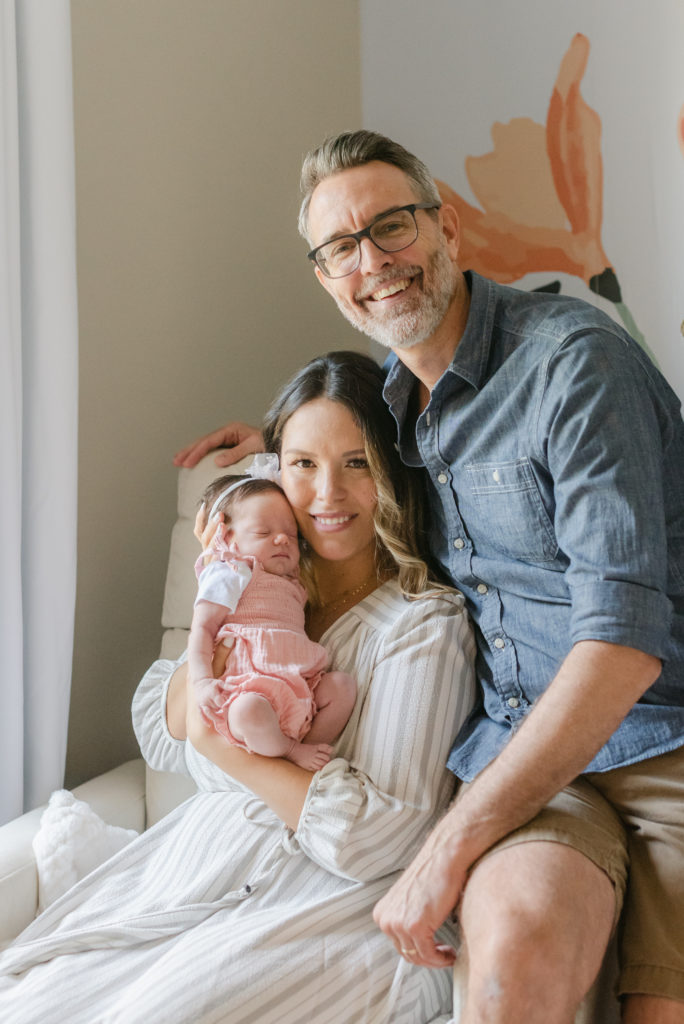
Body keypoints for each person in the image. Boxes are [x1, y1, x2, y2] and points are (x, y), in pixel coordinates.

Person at [174, 130, 684, 1024]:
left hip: (661, 741)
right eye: (341, 248)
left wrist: (449, 844)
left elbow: (623, 641)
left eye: (392, 226)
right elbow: (332, 455)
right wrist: (267, 457)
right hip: (529, 762)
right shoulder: (395, 407)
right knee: (505, 972)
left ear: (446, 227)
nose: (373, 261)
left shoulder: (574, 366)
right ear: (326, 279)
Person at [0, 351, 476, 1024]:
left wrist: (226, 750)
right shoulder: (265, 595)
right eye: (303, 466)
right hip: (190, 871)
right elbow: (159, 732)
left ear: (394, 471)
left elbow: (378, 839)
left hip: (322, 909)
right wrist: (216, 587)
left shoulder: (423, 626)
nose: (327, 496)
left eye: (358, 464)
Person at [188, 470, 356, 770]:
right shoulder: (231, 571)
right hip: (248, 688)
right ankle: (290, 751)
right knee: (248, 712)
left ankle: (307, 745)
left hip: (300, 684)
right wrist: (201, 682)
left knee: (342, 687)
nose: (282, 540)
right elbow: (202, 628)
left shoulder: (294, 583)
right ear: (227, 538)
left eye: (292, 535)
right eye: (263, 533)